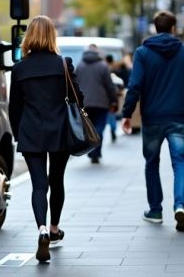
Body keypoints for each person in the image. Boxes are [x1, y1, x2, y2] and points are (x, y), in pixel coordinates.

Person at [9, 15, 85, 263]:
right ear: (52, 35)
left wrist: (19, 132)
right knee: (57, 181)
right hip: (60, 132)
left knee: (39, 185)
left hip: (31, 133)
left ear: (29, 35)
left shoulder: (20, 69)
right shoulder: (63, 64)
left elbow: (14, 108)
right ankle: (54, 228)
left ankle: (40, 228)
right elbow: (78, 99)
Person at [122, 11, 184, 231]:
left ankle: (156, 209)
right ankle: (180, 204)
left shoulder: (143, 53)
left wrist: (127, 113)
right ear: (174, 28)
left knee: (152, 163)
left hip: (152, 118)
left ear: (155, 28)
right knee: (180, 162)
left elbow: (135, 84)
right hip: (178, 116)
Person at [75, 44, 118, 164]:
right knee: (100, 127)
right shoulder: (103, 66)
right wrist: (114, 101)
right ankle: (96, 151)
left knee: (88, 128)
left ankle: (91, 151)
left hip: (85, 103)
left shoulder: (80, 66)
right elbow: (109, 86)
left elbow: (75, 84)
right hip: (101, 103)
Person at [105, 54, 122, 143]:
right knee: (112, 115)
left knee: (108, 116)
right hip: (112, 96)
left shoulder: (103, 68)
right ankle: (113, 129)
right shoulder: (115, 70)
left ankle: (111, 130)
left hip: (104, 97)